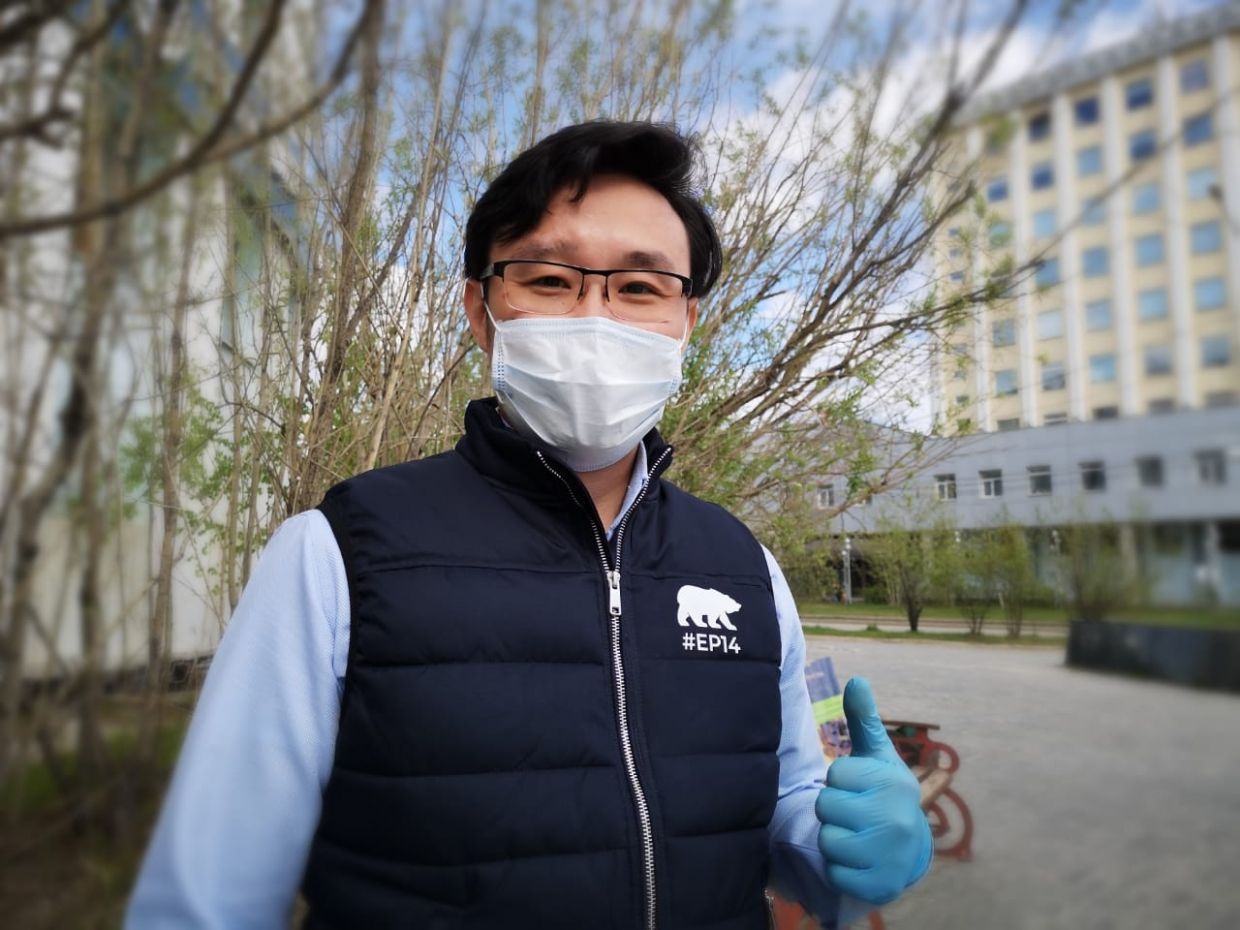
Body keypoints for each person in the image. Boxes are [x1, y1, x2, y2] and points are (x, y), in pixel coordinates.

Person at [126, 121, 930, 930]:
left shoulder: (743, 567)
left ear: (687, 320)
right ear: (481, 312)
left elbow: (782, 806)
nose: (595, 316)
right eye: (549, 280)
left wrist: (840, 846)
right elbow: (206, 902)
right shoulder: (338, 556)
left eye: (639, 287)